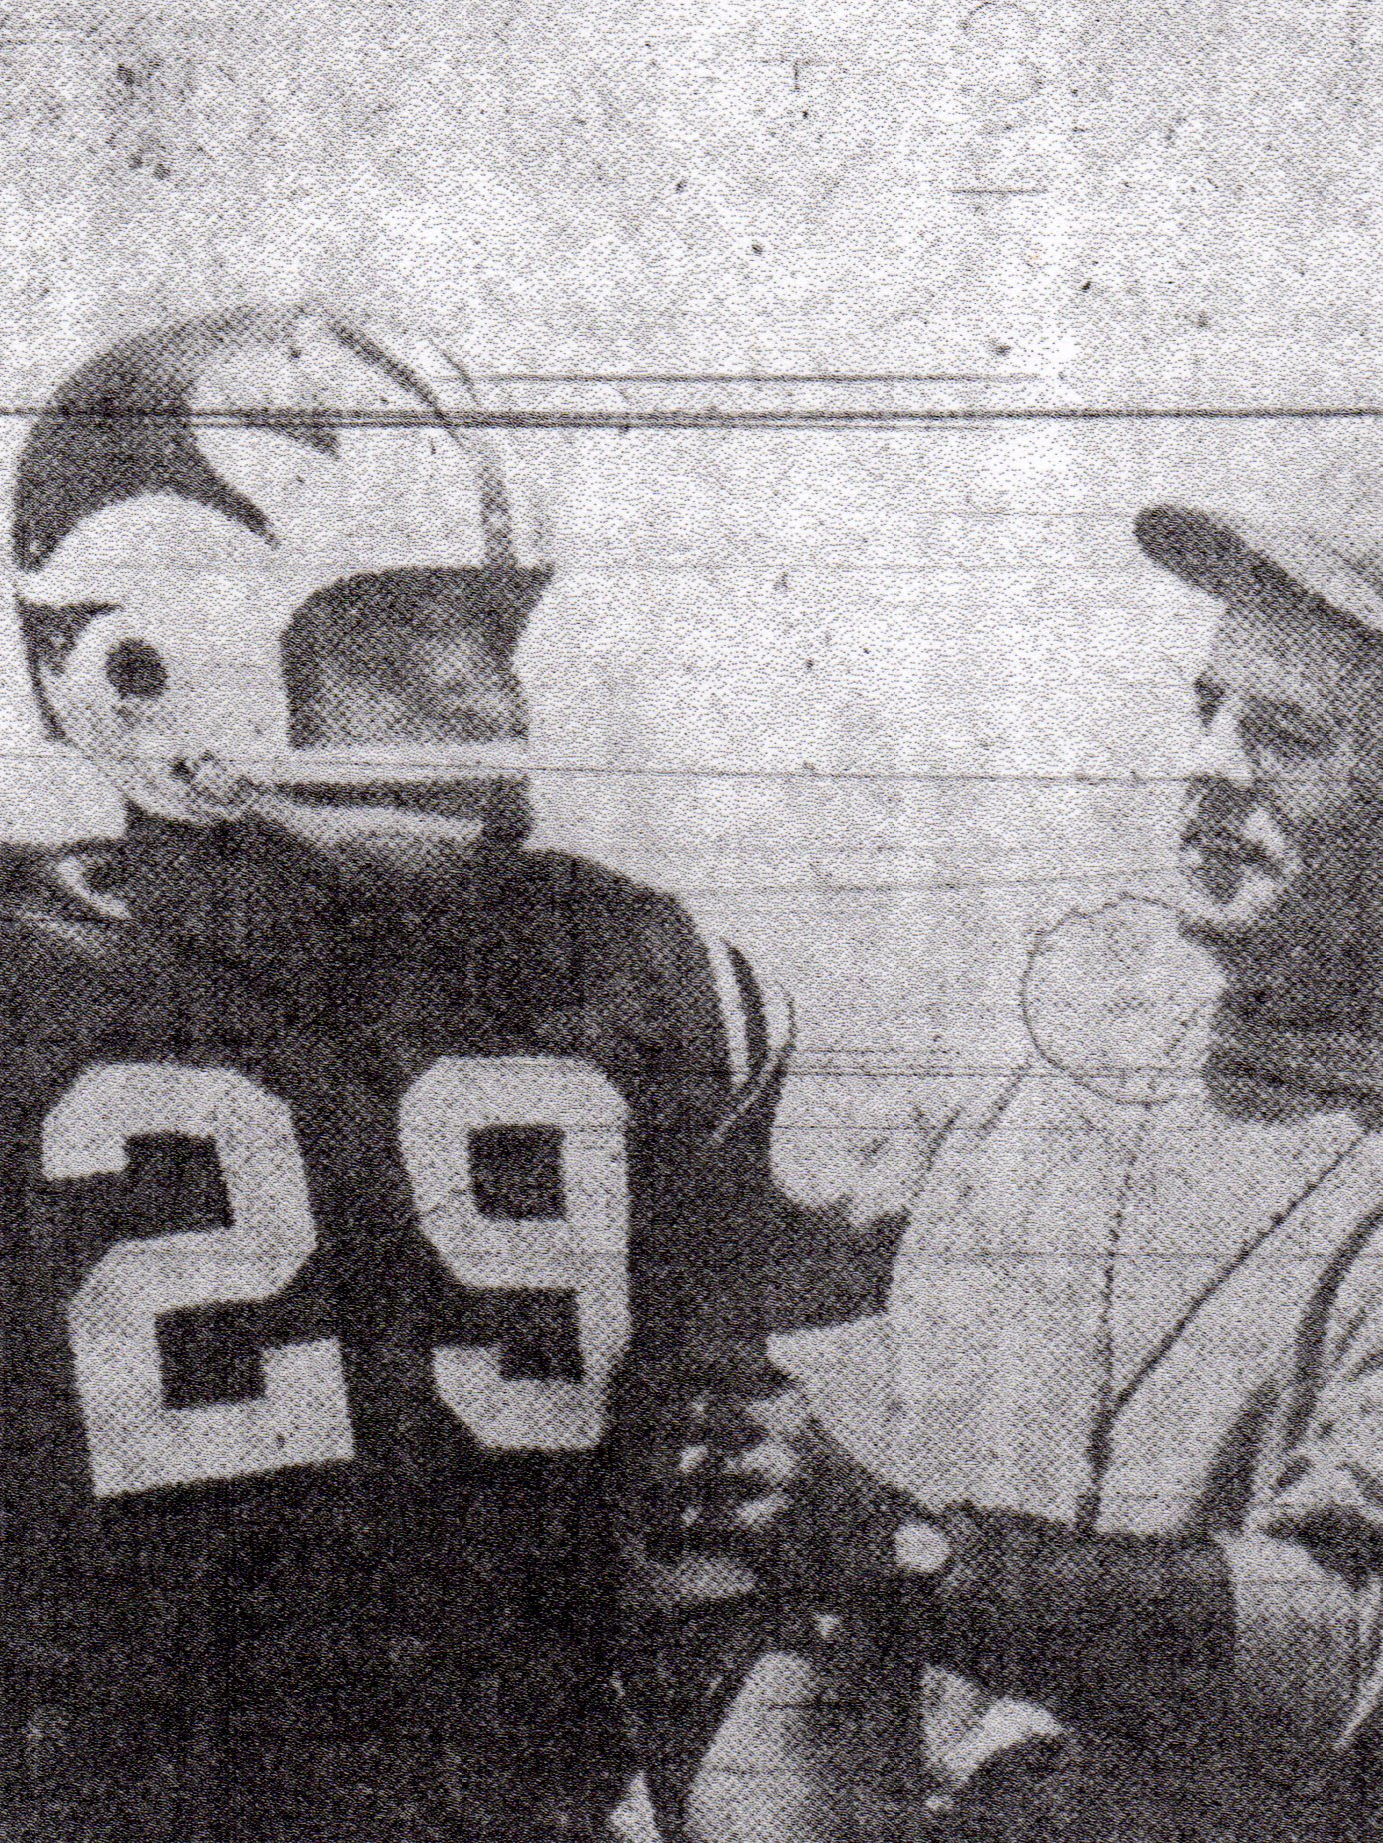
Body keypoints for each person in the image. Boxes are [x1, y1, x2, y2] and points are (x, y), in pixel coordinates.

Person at [654, 452, 1383, 1842]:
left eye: (1286, 734)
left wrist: (902, 1553)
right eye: (1207, 708)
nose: (1212, 768)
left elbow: (1365, 1642)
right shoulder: (1035, 1112)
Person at [0, 304, 865, 1841]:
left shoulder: (641, 982)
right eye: (397, 637)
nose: (485, 696)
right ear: (143, 667)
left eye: (486, 633)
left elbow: (722, 1583)